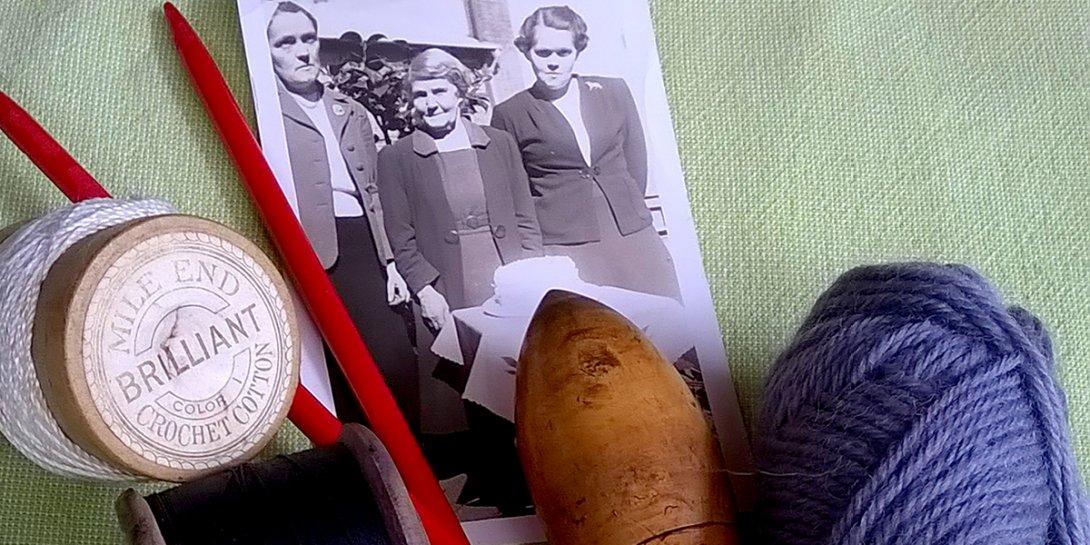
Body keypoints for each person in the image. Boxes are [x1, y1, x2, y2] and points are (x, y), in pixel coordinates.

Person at [377, 48, 542, 515]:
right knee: (468, 383)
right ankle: (498, 486)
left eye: (440, 91)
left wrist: (531, 271)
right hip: (446, 283)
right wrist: (425, 290)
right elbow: (401, 235)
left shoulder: (499, 144)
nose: (430, 103)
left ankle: (529, 472)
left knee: (517, 374)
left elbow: (525, 215)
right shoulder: (396, 158)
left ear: (460, 91)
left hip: (505, 274)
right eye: (420, 94)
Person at [267, 1, 419, 429]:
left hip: (363, 245)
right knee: (338, 374)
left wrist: (390, 262)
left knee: (392, 363)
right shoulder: (267, 114)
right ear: (269, 53)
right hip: (308, 251)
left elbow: (374, 191)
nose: (301, 51)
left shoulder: (349, 109)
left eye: (307, 39)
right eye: (286, 42)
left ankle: (410, 471)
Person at [491, 5, 681, 300]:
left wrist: (628, 208)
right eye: (543, 53)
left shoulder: (613, 91)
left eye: (563, 52)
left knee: (667, 324)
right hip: (568, 244)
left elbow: (636, 161)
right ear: (527, 51)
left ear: (577, 51)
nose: (553, 62)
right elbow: (516, 192)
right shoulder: (509, 113)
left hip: (633, 233)